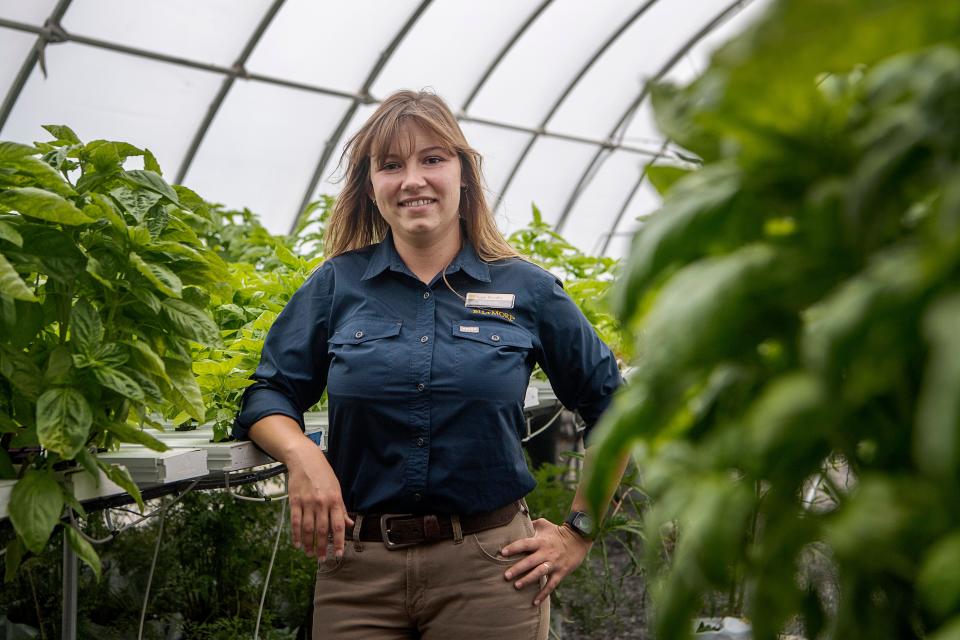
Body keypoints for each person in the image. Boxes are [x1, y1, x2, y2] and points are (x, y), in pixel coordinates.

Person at [233, 89, 626, 639]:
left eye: (432, 159)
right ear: (371, 187)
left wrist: (578, 532)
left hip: (491, 572)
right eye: (391, 165)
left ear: (464, 175)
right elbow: (269, 394)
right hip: (357, 572)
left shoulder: (526, 289)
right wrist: (302, 454)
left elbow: (612, 407)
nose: (412, 179)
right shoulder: (336, 286)